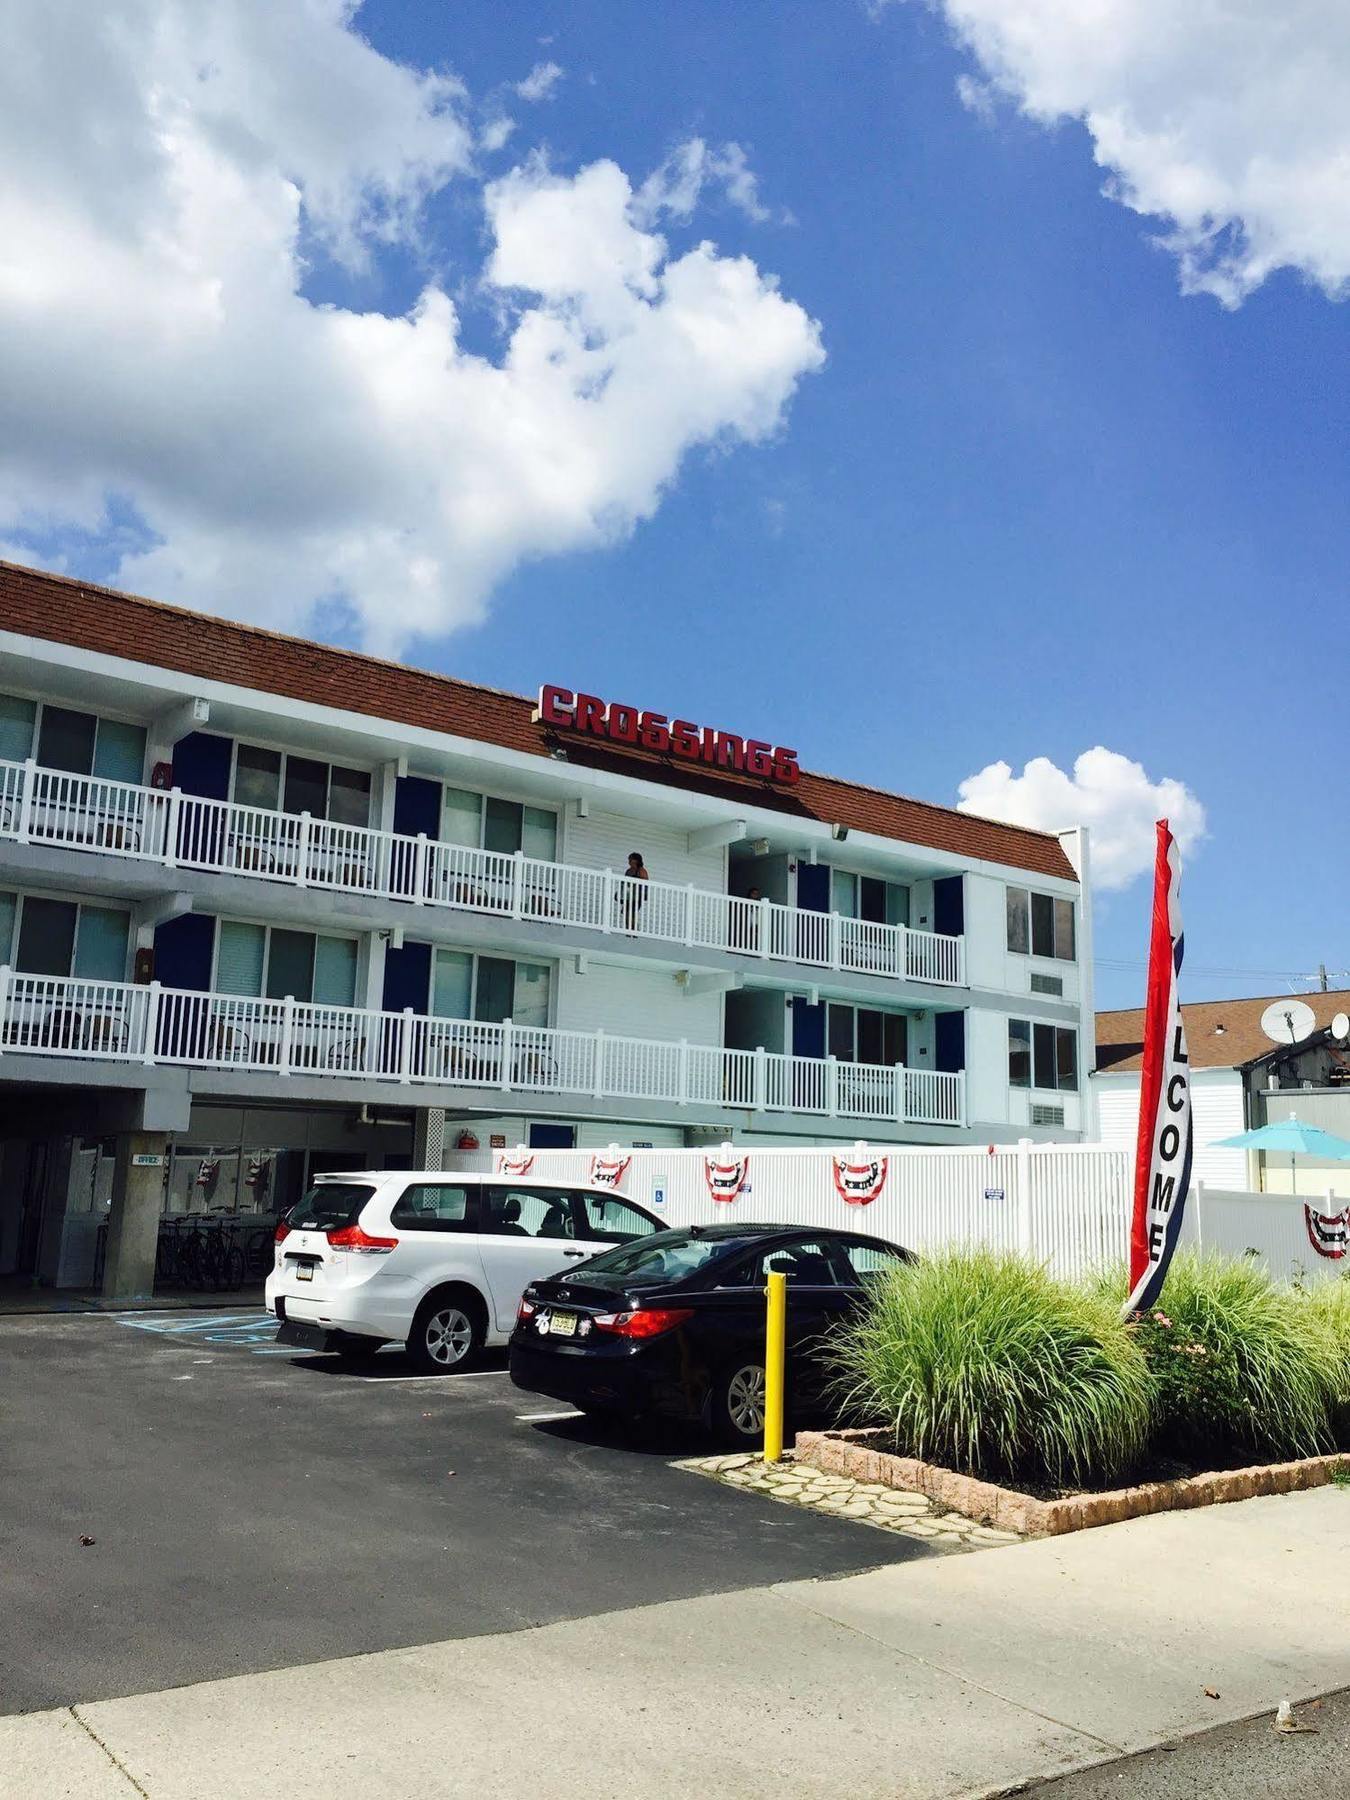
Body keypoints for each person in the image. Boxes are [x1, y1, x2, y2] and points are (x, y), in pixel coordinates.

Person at [621, 851, 649, 931]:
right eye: (629, 859)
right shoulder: (628, 871)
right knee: (626, 913)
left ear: (636, 860)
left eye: (631, 859)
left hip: (637, 896)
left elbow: (645, 883)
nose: (629, 861)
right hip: (628, 896)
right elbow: (624, 882)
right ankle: (628, 931)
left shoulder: (641, 870)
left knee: (632, 913)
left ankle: (634, 932)